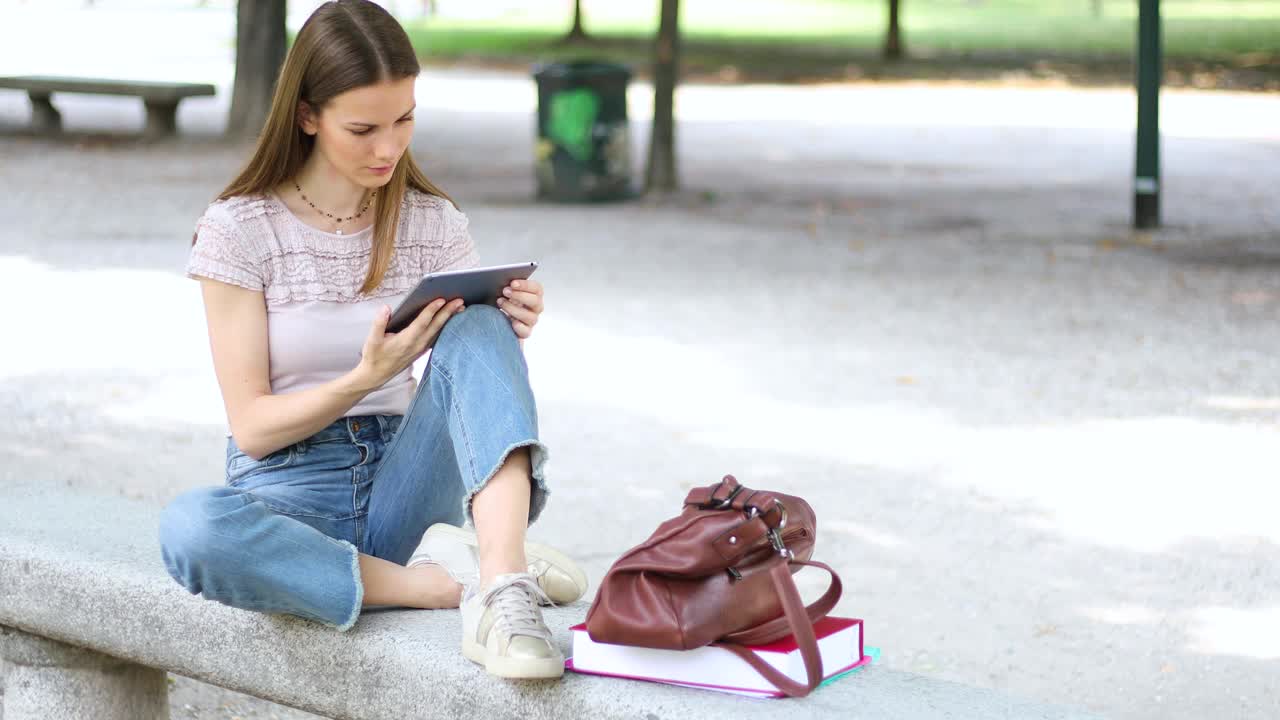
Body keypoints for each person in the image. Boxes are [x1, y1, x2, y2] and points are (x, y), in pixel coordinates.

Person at [157, 0, 585, 681]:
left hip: (408, 490)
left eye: (404, 120)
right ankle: (444, 581)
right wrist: (363, 377)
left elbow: (467, 401)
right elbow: (254, 427)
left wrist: (504, 331)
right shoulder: (240, 231)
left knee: (477, 323)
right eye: (362, 128)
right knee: (190, 529)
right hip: (288, 499)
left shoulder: (434, 224)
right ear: (308, 115)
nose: (388, 149)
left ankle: (501, 588)